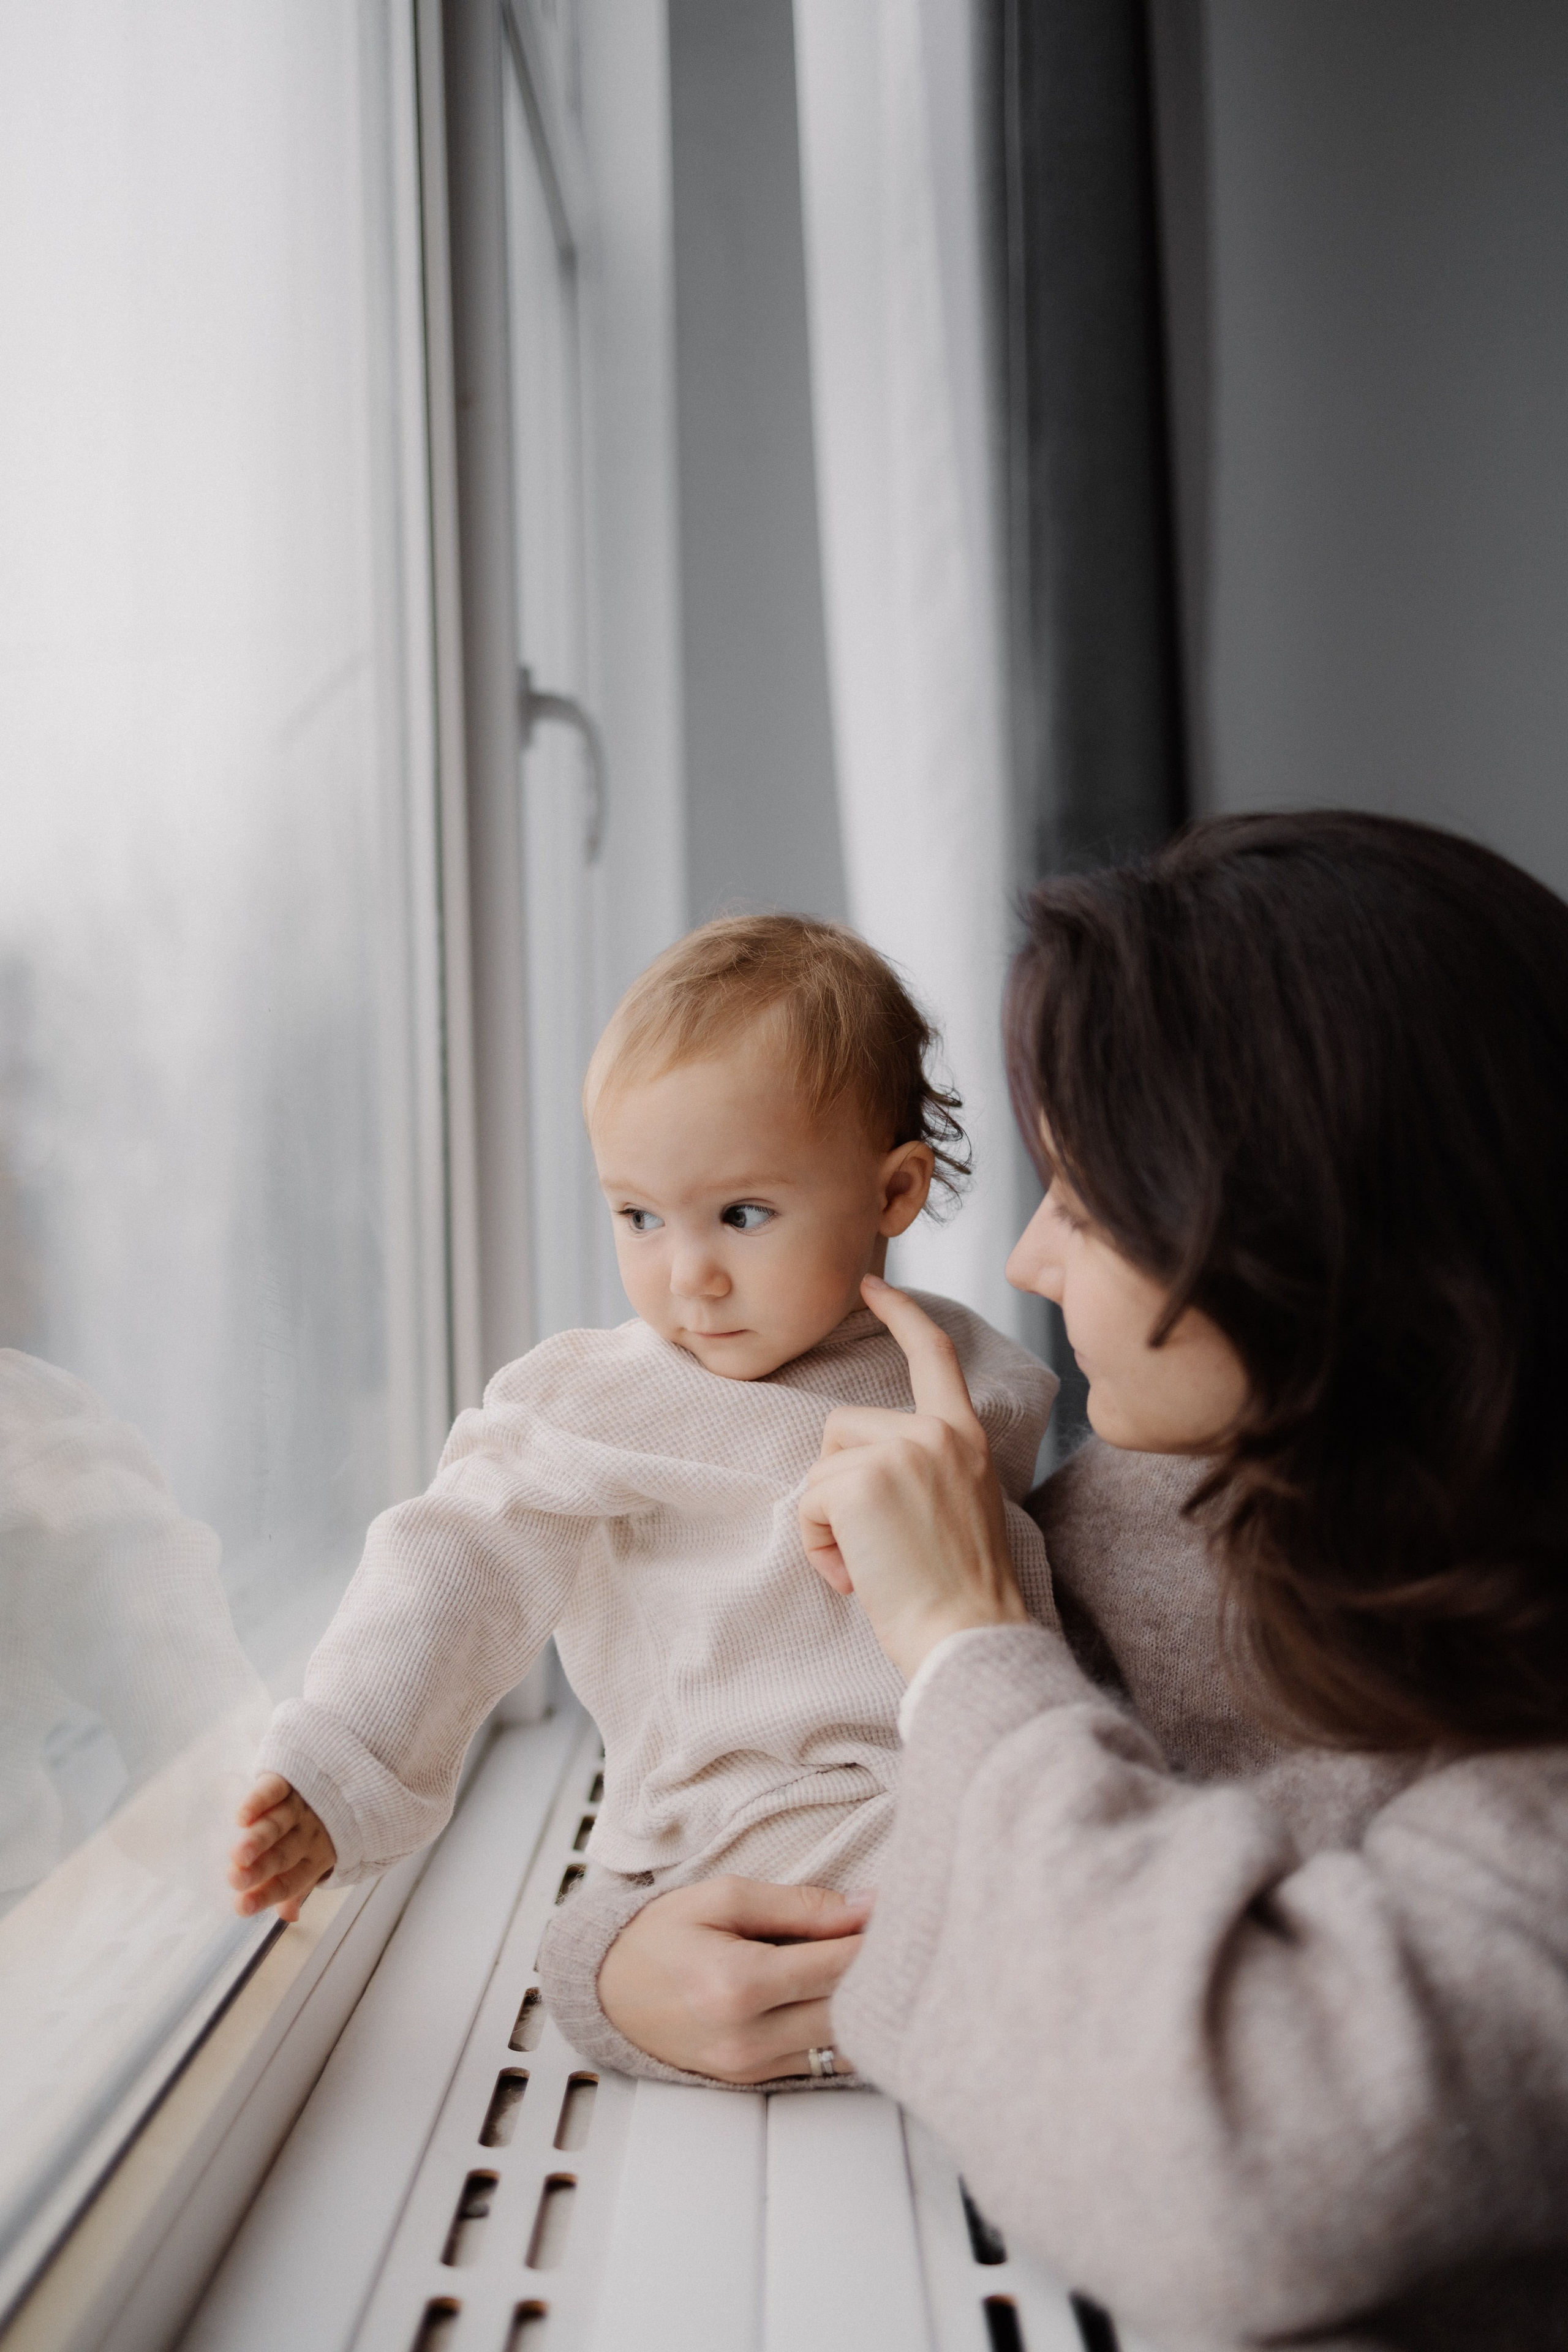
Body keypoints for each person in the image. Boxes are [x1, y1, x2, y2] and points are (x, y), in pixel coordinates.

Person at [563, 813, 1568, 2346]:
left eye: (1089, 1209)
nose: (1026, 1262)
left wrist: (962, 1635)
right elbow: (894, 1829)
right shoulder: (1146, 1507)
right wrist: (614, 1962)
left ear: (1323, 1243)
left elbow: (1235, 2170)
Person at [226, 915, 1055, 2074]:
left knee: (1054, 1870)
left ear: (895, 1190)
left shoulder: (968, 1372)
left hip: (961, 1774)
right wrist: (338, 1770)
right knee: (1019, 1918)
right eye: (639, 1217)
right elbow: (454, 1562)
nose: (689, 1276)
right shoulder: (603, 1400)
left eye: (743, 1216)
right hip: (737, 1831)